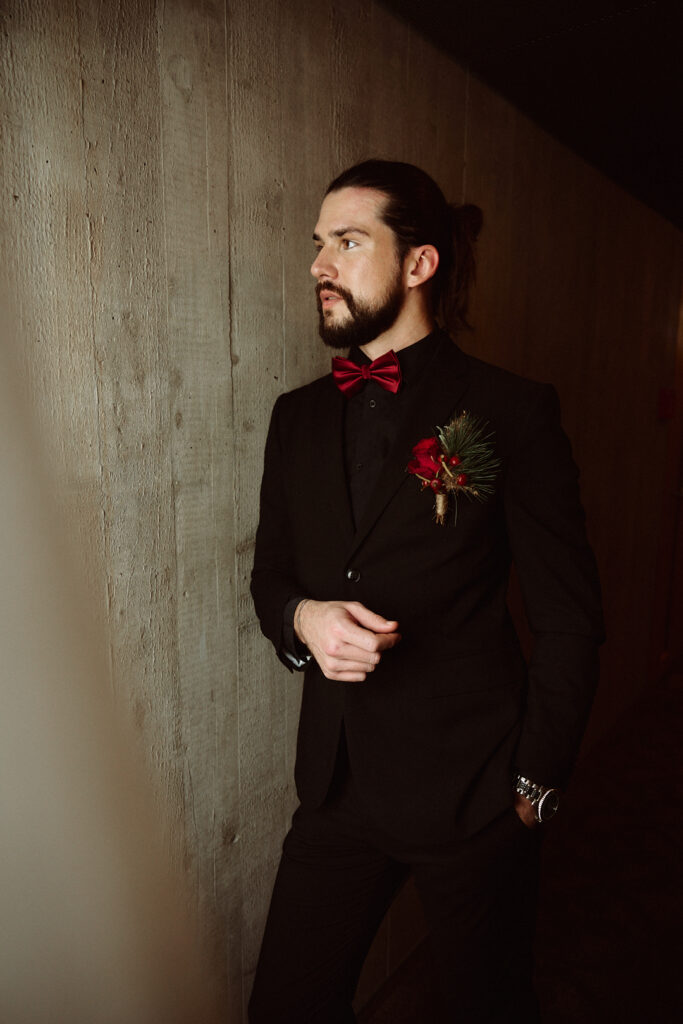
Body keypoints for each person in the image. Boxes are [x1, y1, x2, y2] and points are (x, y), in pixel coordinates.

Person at [249, 160, 604, 1023]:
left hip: (475, 797)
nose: (317, 264)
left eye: (347, 241)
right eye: (316, 245)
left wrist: (531, 790)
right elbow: (270, 575)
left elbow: (569, 618)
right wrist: (302, 616)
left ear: (419, 263)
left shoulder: (507, 411)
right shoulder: (295, 416)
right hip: (334, 791)